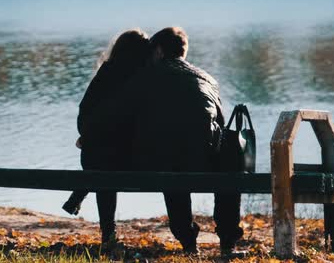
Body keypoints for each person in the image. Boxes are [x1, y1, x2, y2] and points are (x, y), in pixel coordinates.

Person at [84, 27, 243, 255]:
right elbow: (220, 124)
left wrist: (89, 136)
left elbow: (110, 115)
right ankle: (228, 243)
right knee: (218, 152)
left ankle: (188, 243)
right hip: (204, 160)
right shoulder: (208, 79)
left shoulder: (144, 78)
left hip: (157, 164)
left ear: (158, 51)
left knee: (169, 150)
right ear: (183, 51)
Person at [62, 29, 151, 245]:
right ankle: (105, 231)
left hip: (94, 155)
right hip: (127, 158)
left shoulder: (105, 73)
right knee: (110, 162)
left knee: (103, 167)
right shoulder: (142, 77)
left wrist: (87, 136)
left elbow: (85, 112)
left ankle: (107, 234)